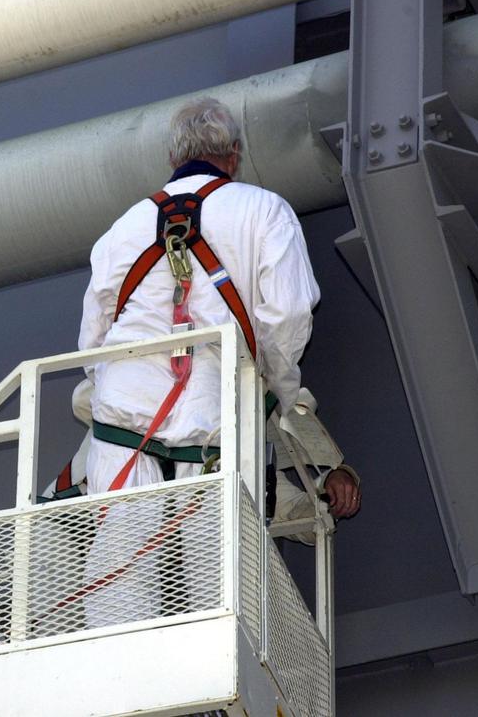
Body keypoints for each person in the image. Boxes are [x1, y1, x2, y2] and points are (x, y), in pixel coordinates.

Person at [73, 97, 359, 625]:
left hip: (123, 421)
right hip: (215, 421)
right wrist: (272, 387)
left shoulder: (123, 229)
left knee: (119, 578)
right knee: (221, 584)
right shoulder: (263, 210)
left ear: (173, 157)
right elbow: (289, 313)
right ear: (233, 155)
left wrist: (115, 386)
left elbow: (95, 336)